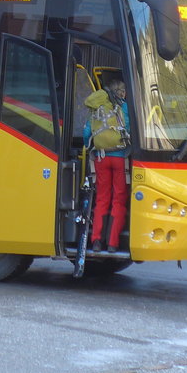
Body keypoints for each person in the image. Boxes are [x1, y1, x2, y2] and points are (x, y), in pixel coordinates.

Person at [84, 77, 131, 252]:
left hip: (101, 158)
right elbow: (132, 131)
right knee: (118, 200)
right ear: (123, 92)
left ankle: (96, 241)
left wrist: (92, 148)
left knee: (102, 198)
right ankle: (112, 244)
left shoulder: (98, 108)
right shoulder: (124, 107)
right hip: (120, 158)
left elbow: (87, 132)